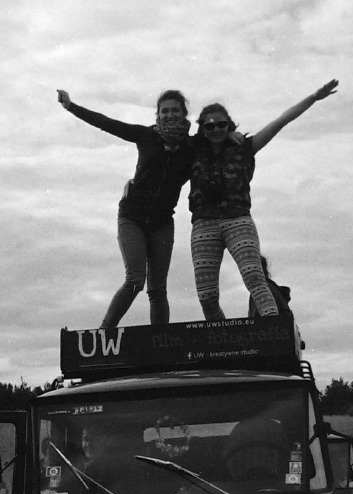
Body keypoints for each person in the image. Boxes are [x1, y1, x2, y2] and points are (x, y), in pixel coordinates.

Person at [189, 80, 338, 321]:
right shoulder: (192, 151)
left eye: (221, 124)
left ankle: (272, 330)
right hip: (203, 224)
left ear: (229, 125)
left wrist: (313, 97)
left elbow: (281, 121)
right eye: (210, 125)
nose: (216, 129)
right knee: (207, 296)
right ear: (203, 130)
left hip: (238, 220)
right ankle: (221, 337)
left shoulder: (246, 147)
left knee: (255, 279)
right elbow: (161, 154)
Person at [57, 88, 195, 328]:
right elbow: (106, 123)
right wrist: (71, 106)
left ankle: (161, 341)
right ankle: (104, 333)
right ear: (157, 115)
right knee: (135, 280)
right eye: (164, 111)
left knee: (158, 289)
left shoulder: (193, 147)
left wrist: (235, 136)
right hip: (132, 217)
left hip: (162, 222)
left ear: (184, 113)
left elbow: (218, 138)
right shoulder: (145, 136)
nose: (170, 115)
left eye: (175, 110)